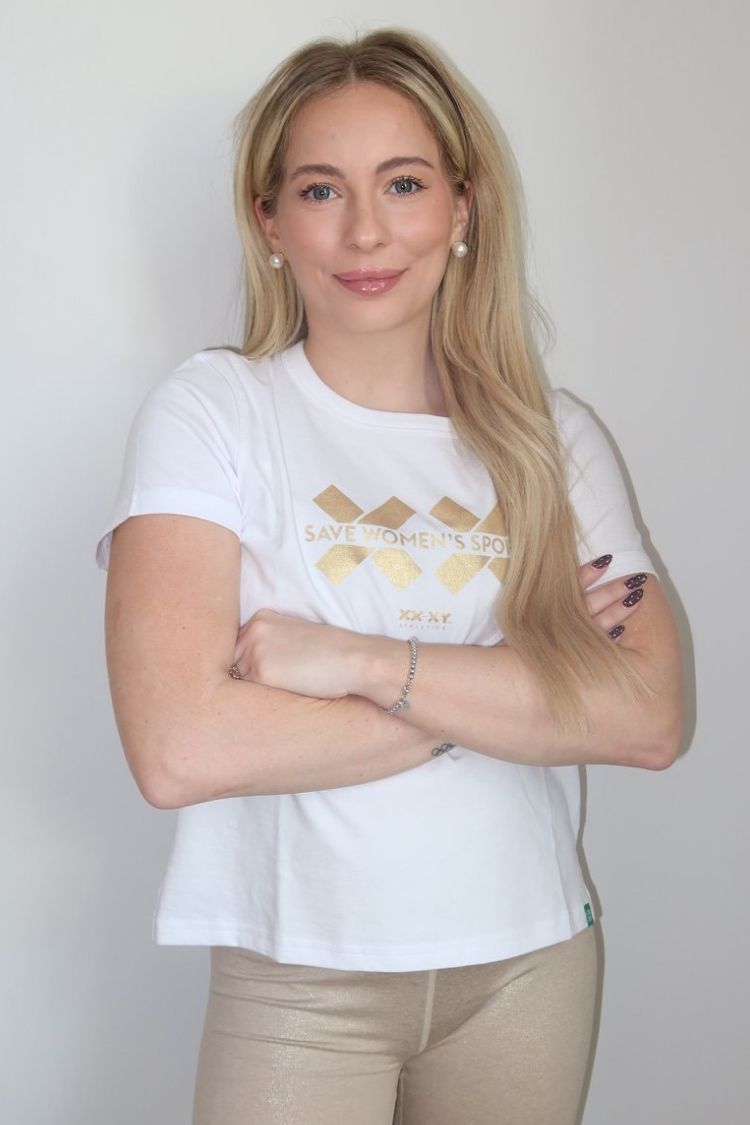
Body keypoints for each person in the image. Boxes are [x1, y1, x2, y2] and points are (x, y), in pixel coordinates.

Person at [95, 26, 683, 1125]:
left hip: (531, 966)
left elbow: (649, 717)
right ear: (269, 220)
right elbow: (179, 749)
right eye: (321, 190)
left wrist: (353, 663)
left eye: (403, 183)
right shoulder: (217, 414)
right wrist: (518, 688)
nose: (366, 230)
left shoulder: (555, 438)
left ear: (461, 209)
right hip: (301, 979)